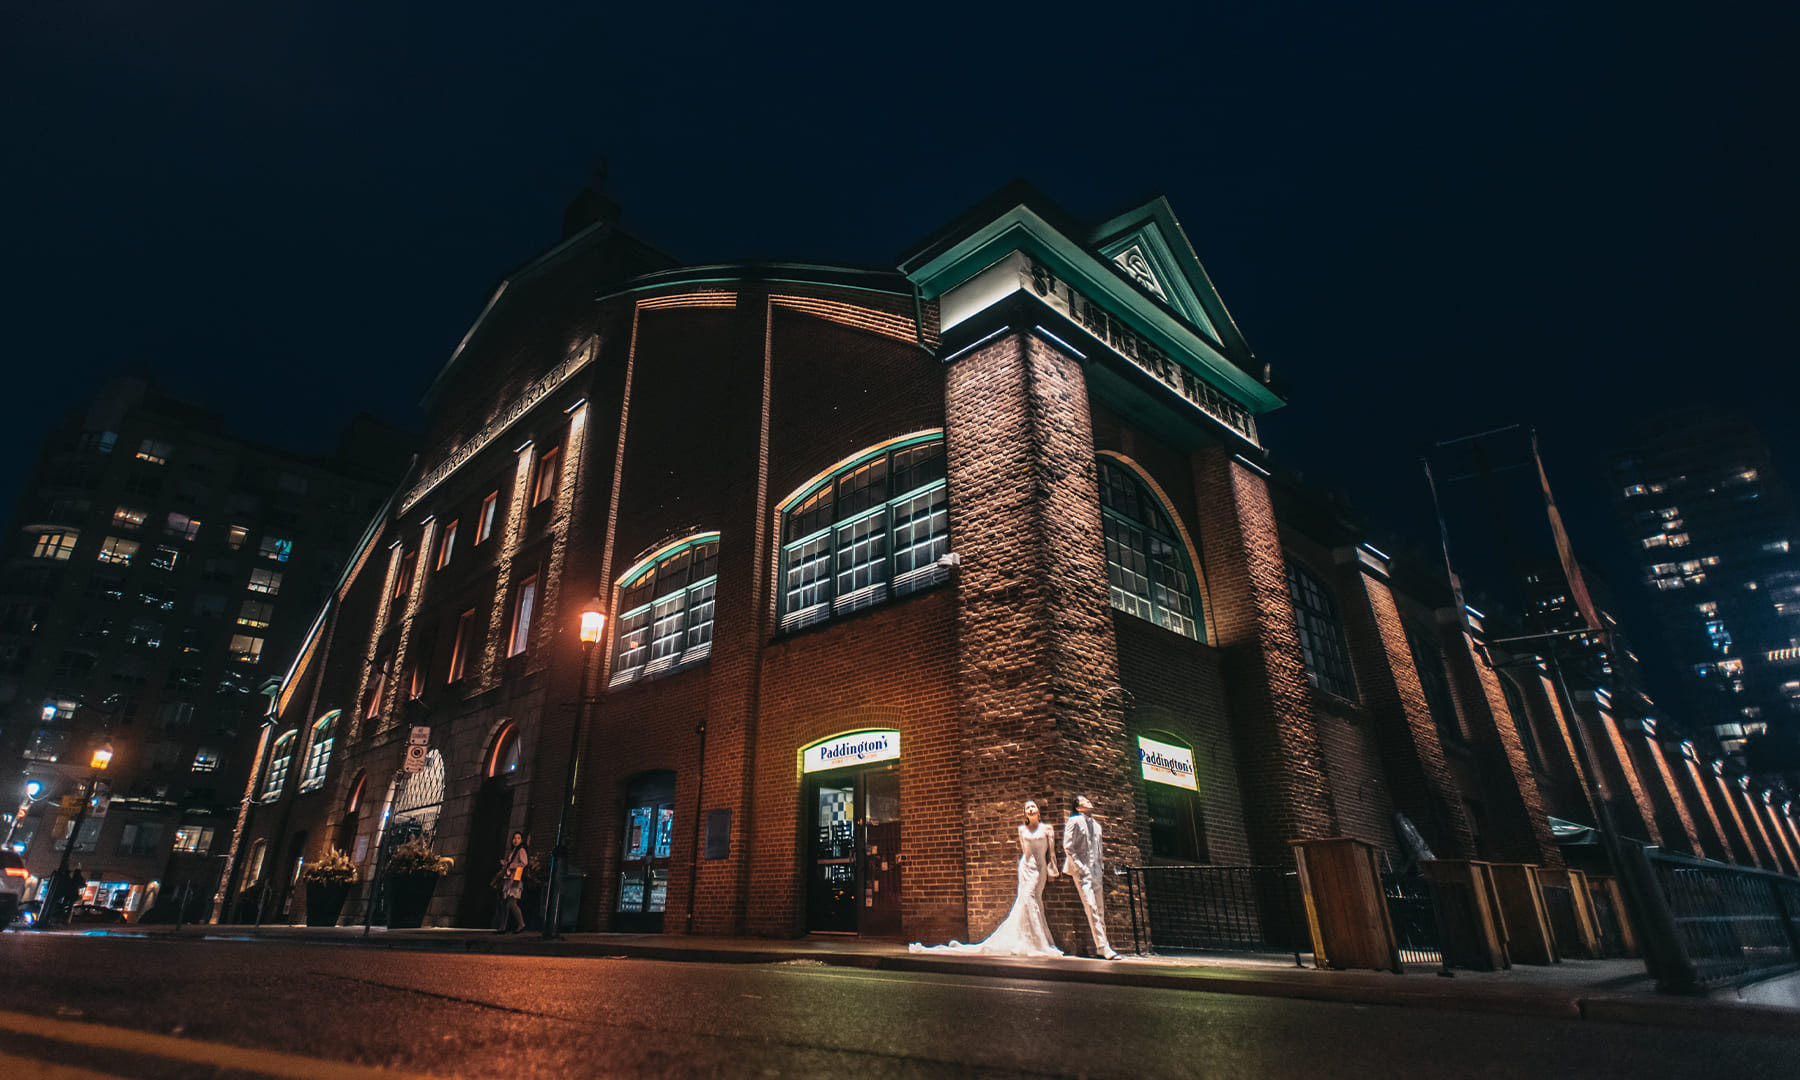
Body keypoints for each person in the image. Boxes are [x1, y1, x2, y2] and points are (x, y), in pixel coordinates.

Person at [910, 800, 1061, 957]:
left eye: (1033, 806)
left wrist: (1052, 871)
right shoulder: (1022, 830)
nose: (1030, 809)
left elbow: (1051, 853)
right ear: (1024, 812)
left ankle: (1039, 940)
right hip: (1025, 868)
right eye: (1027, 807)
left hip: (1040, 868)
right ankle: (1032, 941)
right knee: (1026, 899)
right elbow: (1025, 850)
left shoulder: (1047, 829)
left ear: (1038, 810)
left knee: (1034, 899)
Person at [1063, 795, 1120, 959]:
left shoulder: (1096, 825)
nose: (1089, 802)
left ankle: (1102, 946)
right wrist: (1079, 867)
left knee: (1099, 909)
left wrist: (1100, 868)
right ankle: (1102, 945)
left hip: (1096, 871)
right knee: (1091, 906)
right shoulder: (1074, 821)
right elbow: (1068, 846)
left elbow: (1098, 848)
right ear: (1078, 807)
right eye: (1084, 801)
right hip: (1082, 871)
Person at [497, 832, 529, 933]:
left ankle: (521, 924)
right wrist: (506, 864)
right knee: (506, 903)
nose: (516, 840)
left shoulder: (521, 850)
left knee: (511, 902)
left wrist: (510, 865)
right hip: (510, 878)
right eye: (514, 838)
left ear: (521, 840)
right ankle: (503, 927)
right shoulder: (514, 851)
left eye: (518, 838)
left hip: (515, 878)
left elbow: (524, 863)